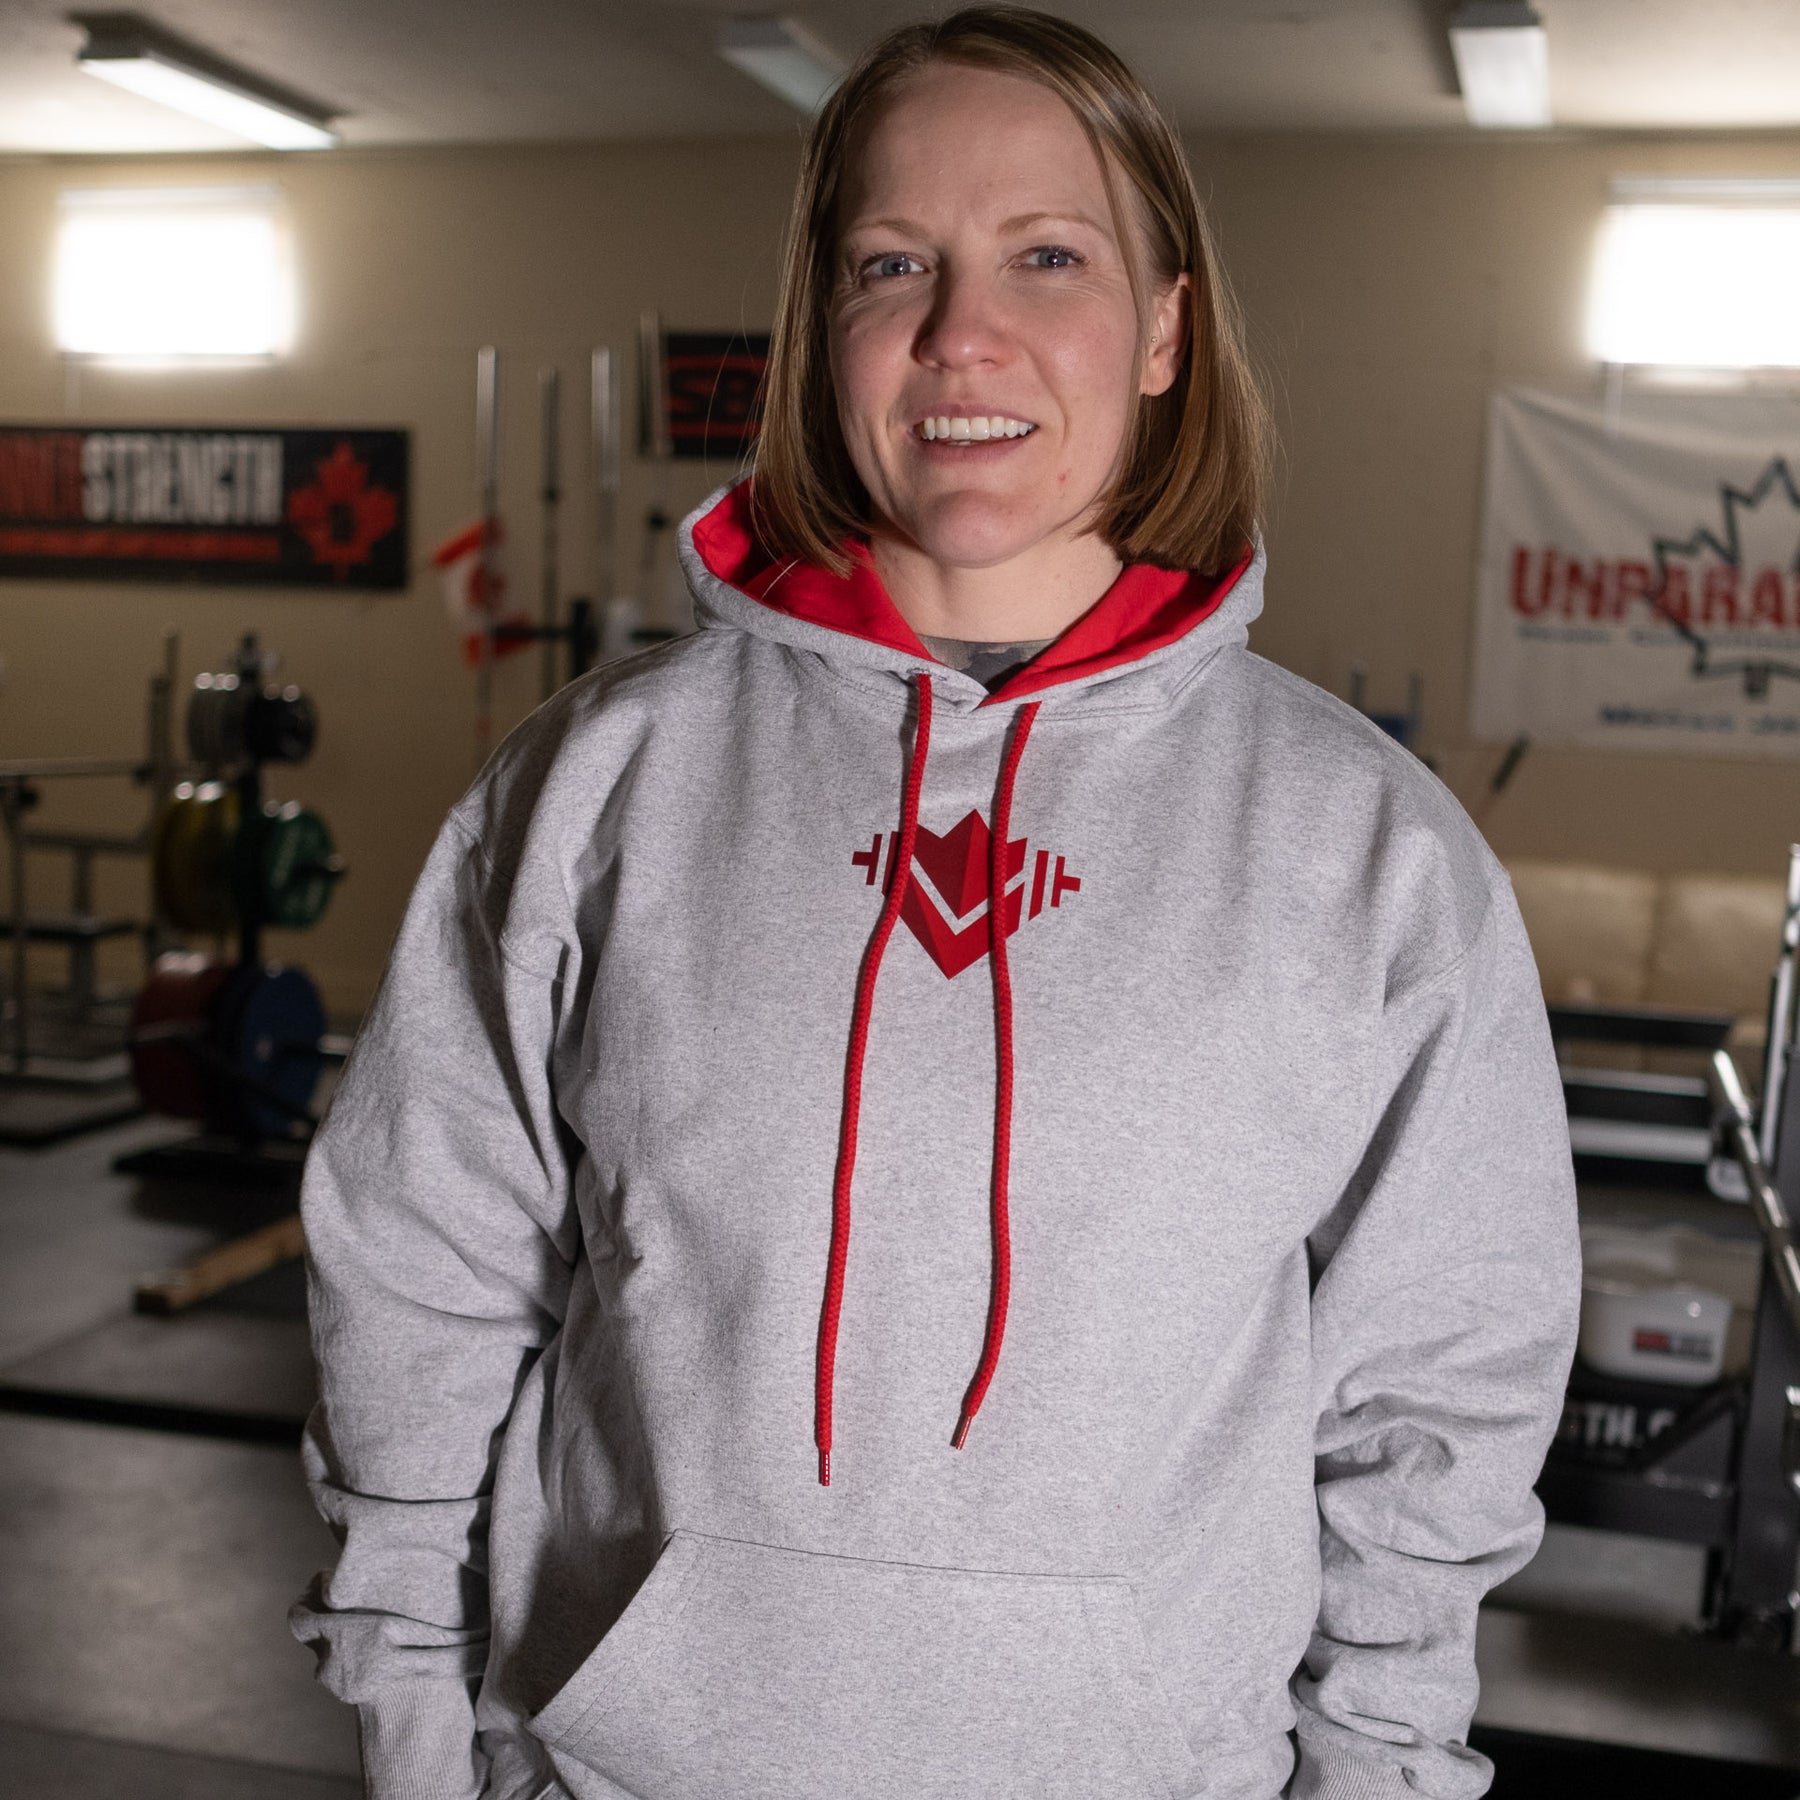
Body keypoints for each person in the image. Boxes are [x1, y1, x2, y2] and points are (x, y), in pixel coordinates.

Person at [291, 9, 1581, 1799]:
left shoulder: (1368, 850)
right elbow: (418, 1269)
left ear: (1164, 330)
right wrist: (421, 1726)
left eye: (1047, 256)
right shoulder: (596, 785)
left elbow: (1439, 1385)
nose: (961, 331)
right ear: (823, 328)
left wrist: (1380, 1768)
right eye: (893, 262)